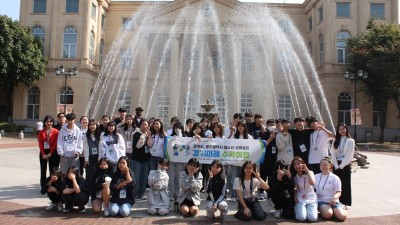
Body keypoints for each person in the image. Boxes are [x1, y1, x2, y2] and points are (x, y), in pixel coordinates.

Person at [331, 123, 354, 208]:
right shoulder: (335, 140)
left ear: (346, 129)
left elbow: (350, 155)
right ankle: (337, 201)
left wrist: (342, 165)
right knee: (336, 184)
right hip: (336, 164)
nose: (342, 130)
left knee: (346, 183)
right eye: (340, 129)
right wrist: (336, 165)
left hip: (345, 164)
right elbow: (333, 153)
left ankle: (346, 203)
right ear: (338, 131)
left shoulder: (350, 141)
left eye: (343, 129)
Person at [230, 121, 253, 202]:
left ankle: (242, 195)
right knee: (234, 178)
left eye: (242, 126)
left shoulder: (248, 137)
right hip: (235, 161)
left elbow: (252, 147)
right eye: (239, 126)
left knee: (242, 179)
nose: (240, 127)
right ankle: (233, 195)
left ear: (245, 127)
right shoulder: (234, 136)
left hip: (244, 163)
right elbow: (228, 144)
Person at [290, 157, 318, 222]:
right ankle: (300, 210)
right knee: (301, 218)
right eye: (294, 164)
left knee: (312, 218)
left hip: (311, 197)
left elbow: (312, 183)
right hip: (300, 197)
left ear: (303, 164)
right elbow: (295, 189)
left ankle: (310, 209)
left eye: (298, 163)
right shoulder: (294, 176)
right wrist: (295, 197)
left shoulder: (310, 172)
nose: (296, 166)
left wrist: (307, 170)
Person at [132, 119, 151, 200]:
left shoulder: (149, 135)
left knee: (144, 177)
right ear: (140, 126)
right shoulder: (136, 134)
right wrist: (143, 136)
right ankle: (134, 193)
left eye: (146, 124)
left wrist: (148, 136)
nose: (144, 126)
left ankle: (141, 194)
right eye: (143, 124)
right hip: (137, 159)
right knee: (136, 177)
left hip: (146, 159)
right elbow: (138, 146)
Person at [38, 115, 60, 187]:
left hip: (53, 153)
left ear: (52, 123)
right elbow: (40, 144)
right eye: (47, 122)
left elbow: (55, 143)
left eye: (50, 122)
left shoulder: (56, 131)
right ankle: (43, 186)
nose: (49, 123)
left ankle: (52, 185)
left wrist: (50, 153)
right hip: (43, 152)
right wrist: (43, 154)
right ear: (44, 122)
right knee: (43, 170)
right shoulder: (41, 132)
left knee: (52, 170)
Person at [83, 119, 101, 184]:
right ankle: (88, 188)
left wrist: (100, 157)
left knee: (98, 171)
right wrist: (86, 159)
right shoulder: (86, 135)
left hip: (98, 156)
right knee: (89, 173)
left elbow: (101, 147)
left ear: (96, 125)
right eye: (90, 125)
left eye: (94, 124)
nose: (92, 126)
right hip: (90, 156)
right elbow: (86, 147)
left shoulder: (100, 134)